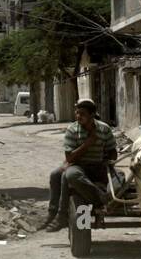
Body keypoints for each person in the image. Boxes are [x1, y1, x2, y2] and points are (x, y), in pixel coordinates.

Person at [41, 99, 117, 232]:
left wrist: (108, 160)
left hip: (98, 167)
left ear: (92, 115)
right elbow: (69, 157)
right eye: (77, 113)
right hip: (78, 166)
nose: (78, 116)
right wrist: (87, 144)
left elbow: (112, 152)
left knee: (120, 180)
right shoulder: (72, 129)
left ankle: (61, 216)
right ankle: (99, 199)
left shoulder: (104, 129)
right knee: (66, 175)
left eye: (82, 113)